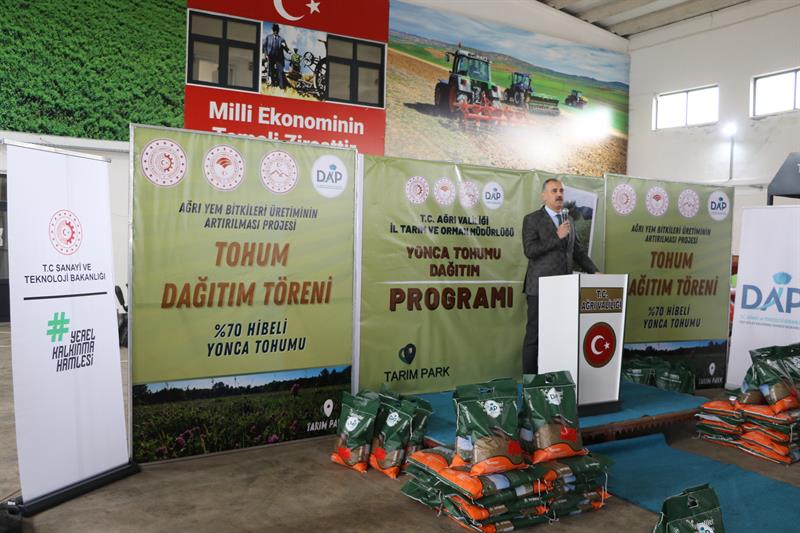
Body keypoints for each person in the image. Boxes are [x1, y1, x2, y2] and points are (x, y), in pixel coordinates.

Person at [521, 178, 598, 374]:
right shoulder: (532, 219)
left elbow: (577, 251)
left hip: (564, 289)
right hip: (539, 289)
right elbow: (530, 250)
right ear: (544, 196)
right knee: (535, 336)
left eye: (561, 191)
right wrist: (557, 236)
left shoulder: (568, 219)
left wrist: (594, 271)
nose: (559, 195)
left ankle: (556, 378)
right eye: (554, 191)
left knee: (559, 336)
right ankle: (531, 382)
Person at [263, 23, 290, 89]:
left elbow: (286, 48)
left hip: (279, 58)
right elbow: (264, 46)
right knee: (271, 71)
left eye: (277, 30)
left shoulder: (282, 39)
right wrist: (266, 55)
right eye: (274, 30)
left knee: (280, 71)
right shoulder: (268, 37)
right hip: (271, 57)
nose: (275, 31)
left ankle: (281, 87)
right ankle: (273, 84)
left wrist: (289, 51)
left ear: (278, 30)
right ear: (273, 30)